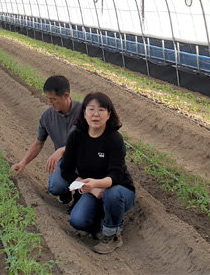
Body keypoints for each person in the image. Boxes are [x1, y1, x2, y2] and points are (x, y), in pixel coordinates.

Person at [60, 92, 135, 254]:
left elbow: (116, 176)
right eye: (91, 109)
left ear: (109, 114)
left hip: (119, 190)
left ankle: (112, 234)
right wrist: (91, 187)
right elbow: (66, 170)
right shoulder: (76, 137)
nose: (96, 114)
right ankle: (102, 220)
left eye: (101, 110)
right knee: (77, 221)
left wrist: (97, 184)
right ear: (84, 113)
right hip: (93, 191)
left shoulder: (114, 139)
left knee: (112, 194)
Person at [9, 76, 82, 205]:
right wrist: (23, 163)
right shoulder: (47, 116)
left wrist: (63, 149)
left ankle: (80, 194)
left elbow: (89, 142)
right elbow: (38, 143)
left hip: (87, 161)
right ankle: (66, 191)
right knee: (55, 187)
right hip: (66, 163)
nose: (50, 103)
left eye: (53, 99)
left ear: (66, 95)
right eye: (48, 99)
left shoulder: (84, 112)